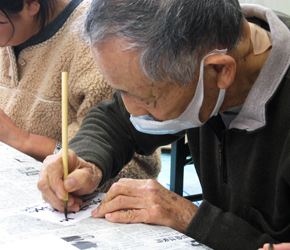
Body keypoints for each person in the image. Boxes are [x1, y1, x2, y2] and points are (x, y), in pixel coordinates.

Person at [37, 0, 290, 249]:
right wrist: (87, 162)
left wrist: (192, 219)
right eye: (122, 91)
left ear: (220, 71)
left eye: (146, 99)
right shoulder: (198, 63)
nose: (130, 108)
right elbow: (117, 122)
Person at [0, 0, 161, 192]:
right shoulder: (11, 33)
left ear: (31, 5)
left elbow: (132, 164)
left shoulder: (100, 42)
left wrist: (22, 140)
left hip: (87, 202)